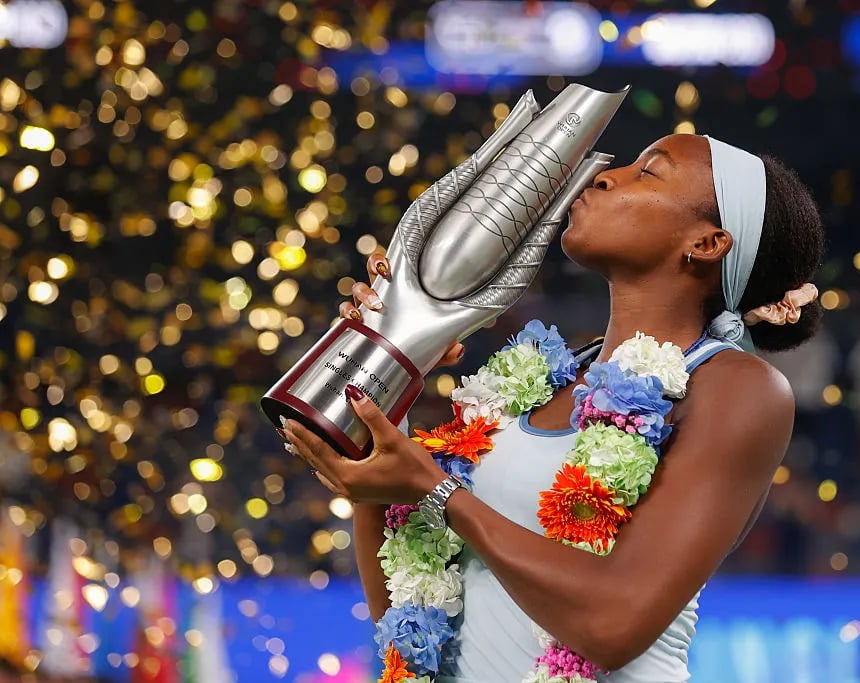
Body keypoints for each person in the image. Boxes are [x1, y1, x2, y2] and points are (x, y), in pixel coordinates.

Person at [281, 133, 825, 681]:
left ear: (707, 244)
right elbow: (405, 621)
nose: (606, 175)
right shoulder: (538, 380)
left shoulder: (735, 387)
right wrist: (385, 378)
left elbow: (612, 626)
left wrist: (436, 492)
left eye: (649, 172)